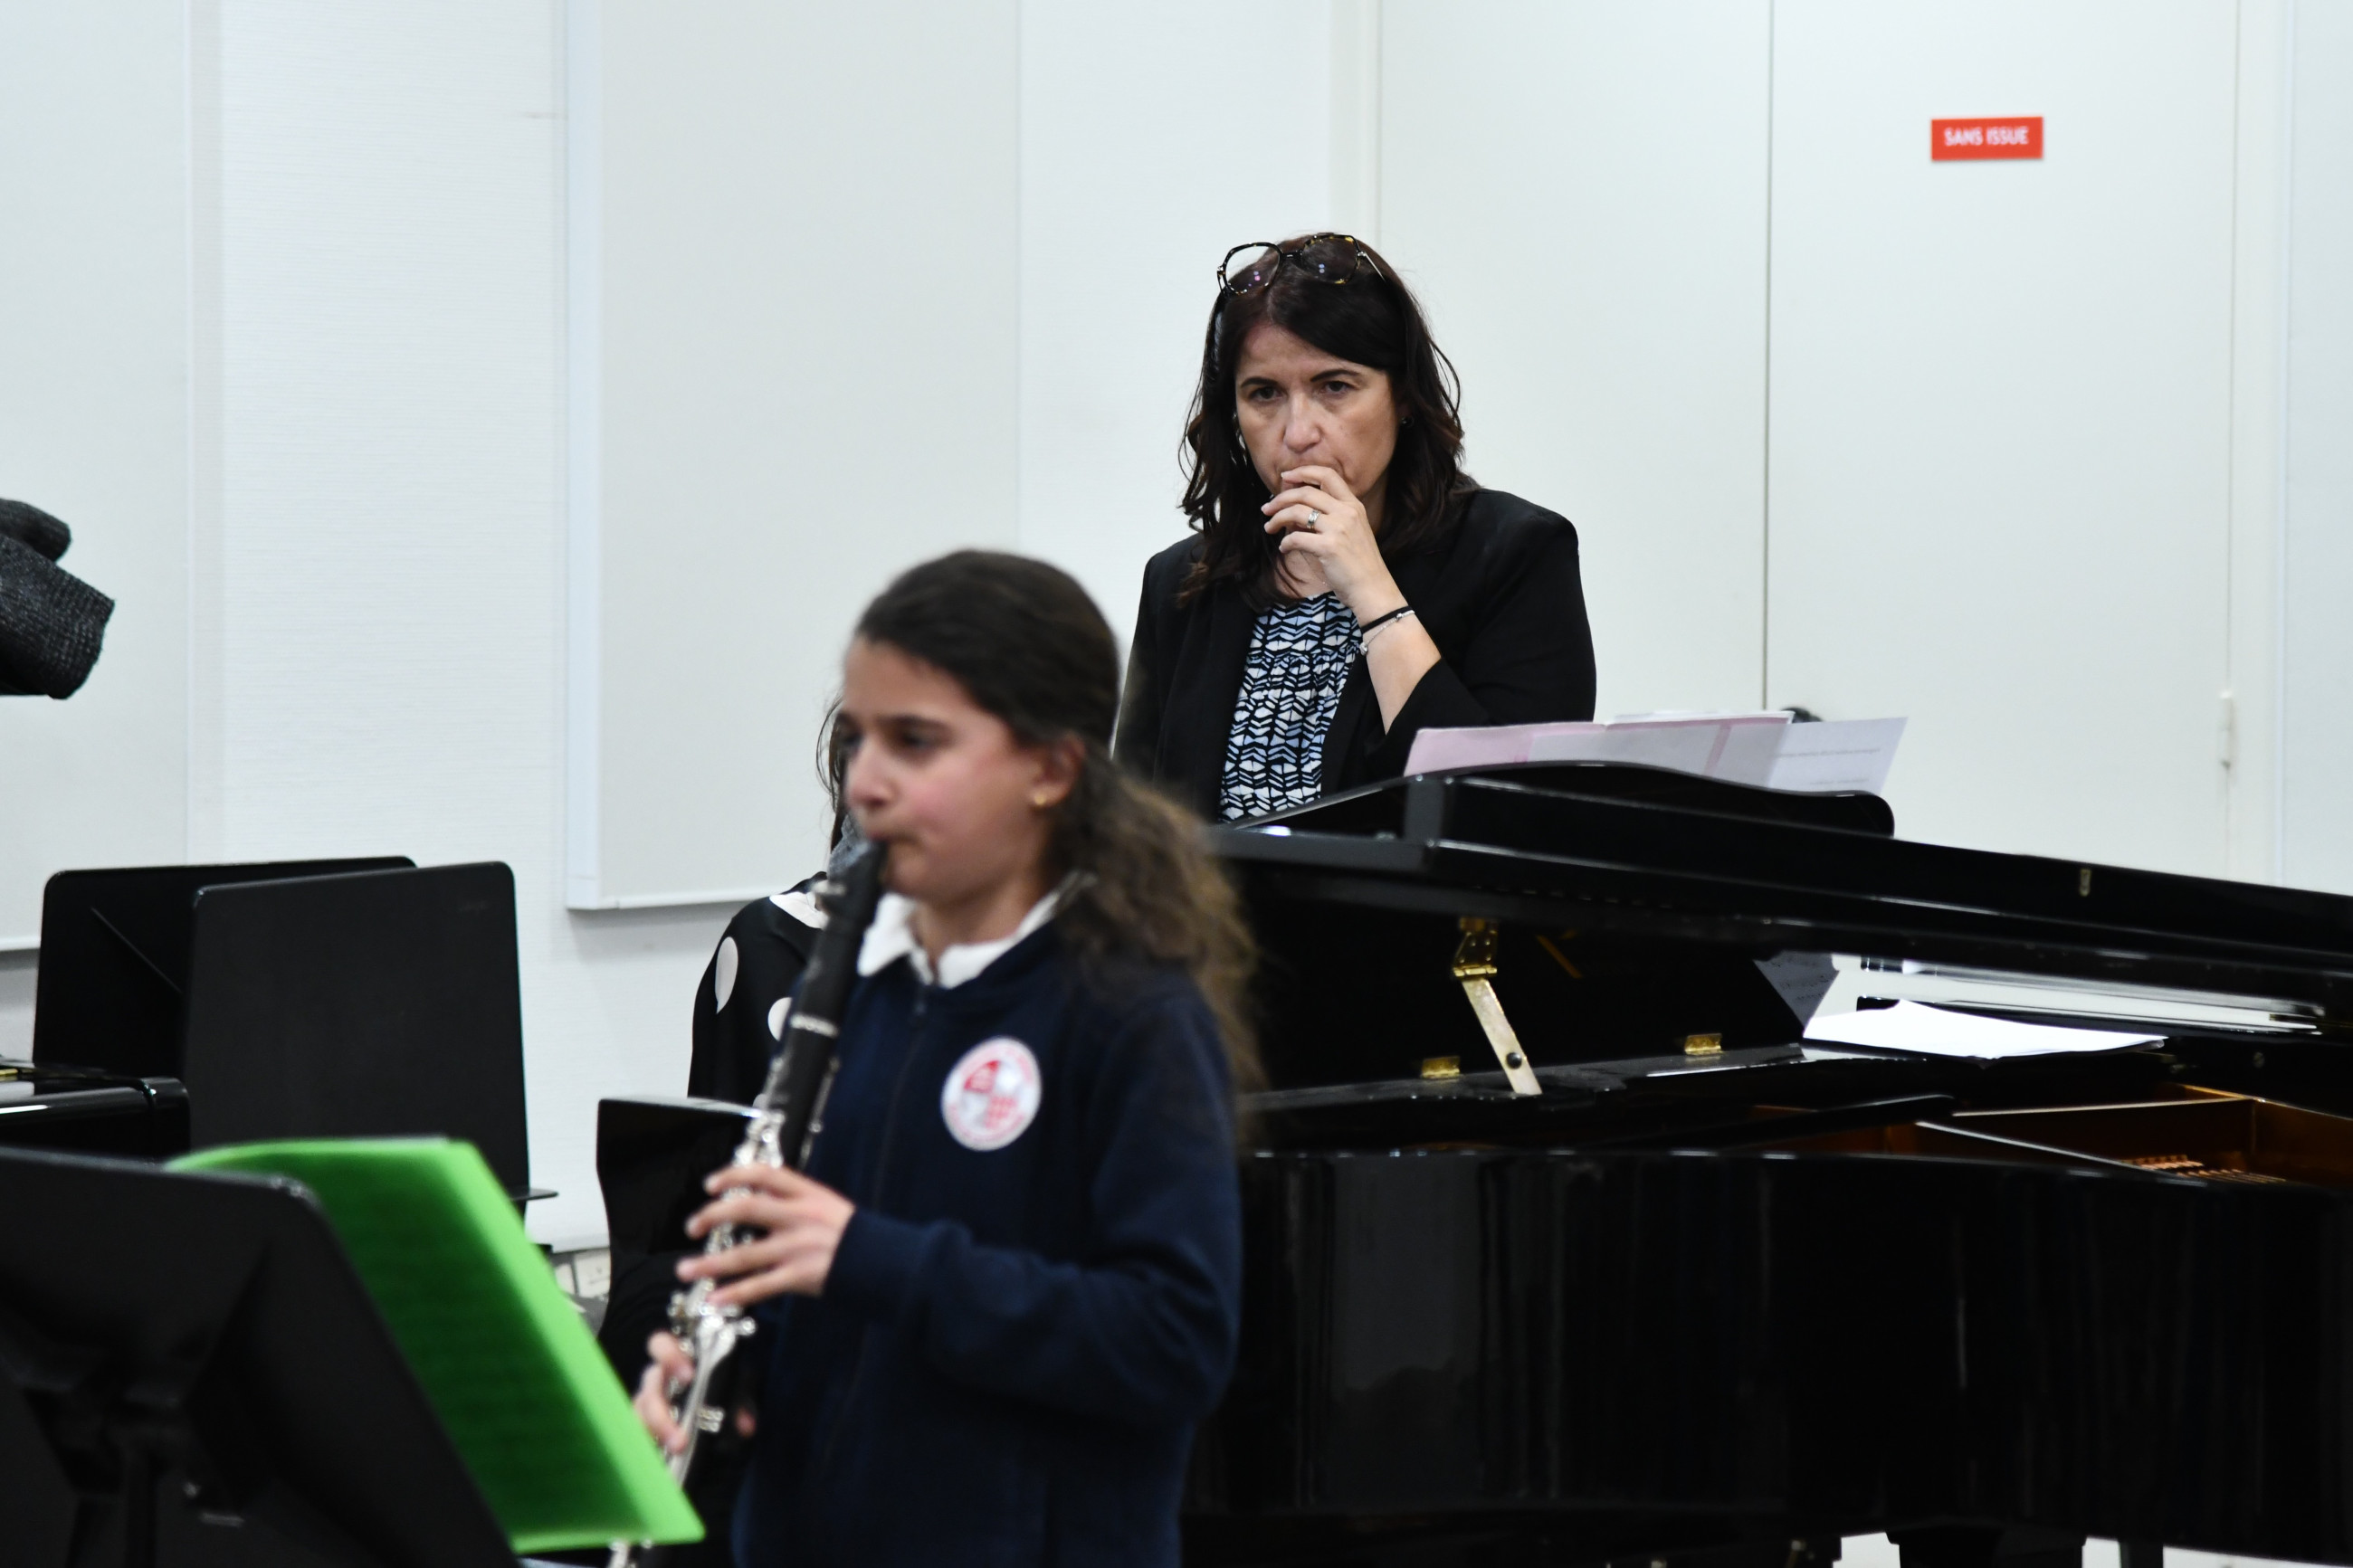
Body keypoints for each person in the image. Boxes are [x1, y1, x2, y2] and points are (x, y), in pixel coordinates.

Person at [634, 550, 1256, 1568]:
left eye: (916, 743)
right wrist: (737, 1378)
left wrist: (869, 1256)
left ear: (1051, 769)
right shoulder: (861, 980)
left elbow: (1171, 1342)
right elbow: (834, 1297)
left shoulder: (1131, 1011)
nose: (866, 783)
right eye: (858, 739)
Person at [1115, 233, 1597, 819]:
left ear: (1403, 396)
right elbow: (1132, 831)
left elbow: (1513, 815)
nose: (1298, 433)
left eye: (1334, 387)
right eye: (1264, 394)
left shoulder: (1514, 553)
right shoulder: (1181, 581)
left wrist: (1372, 592)